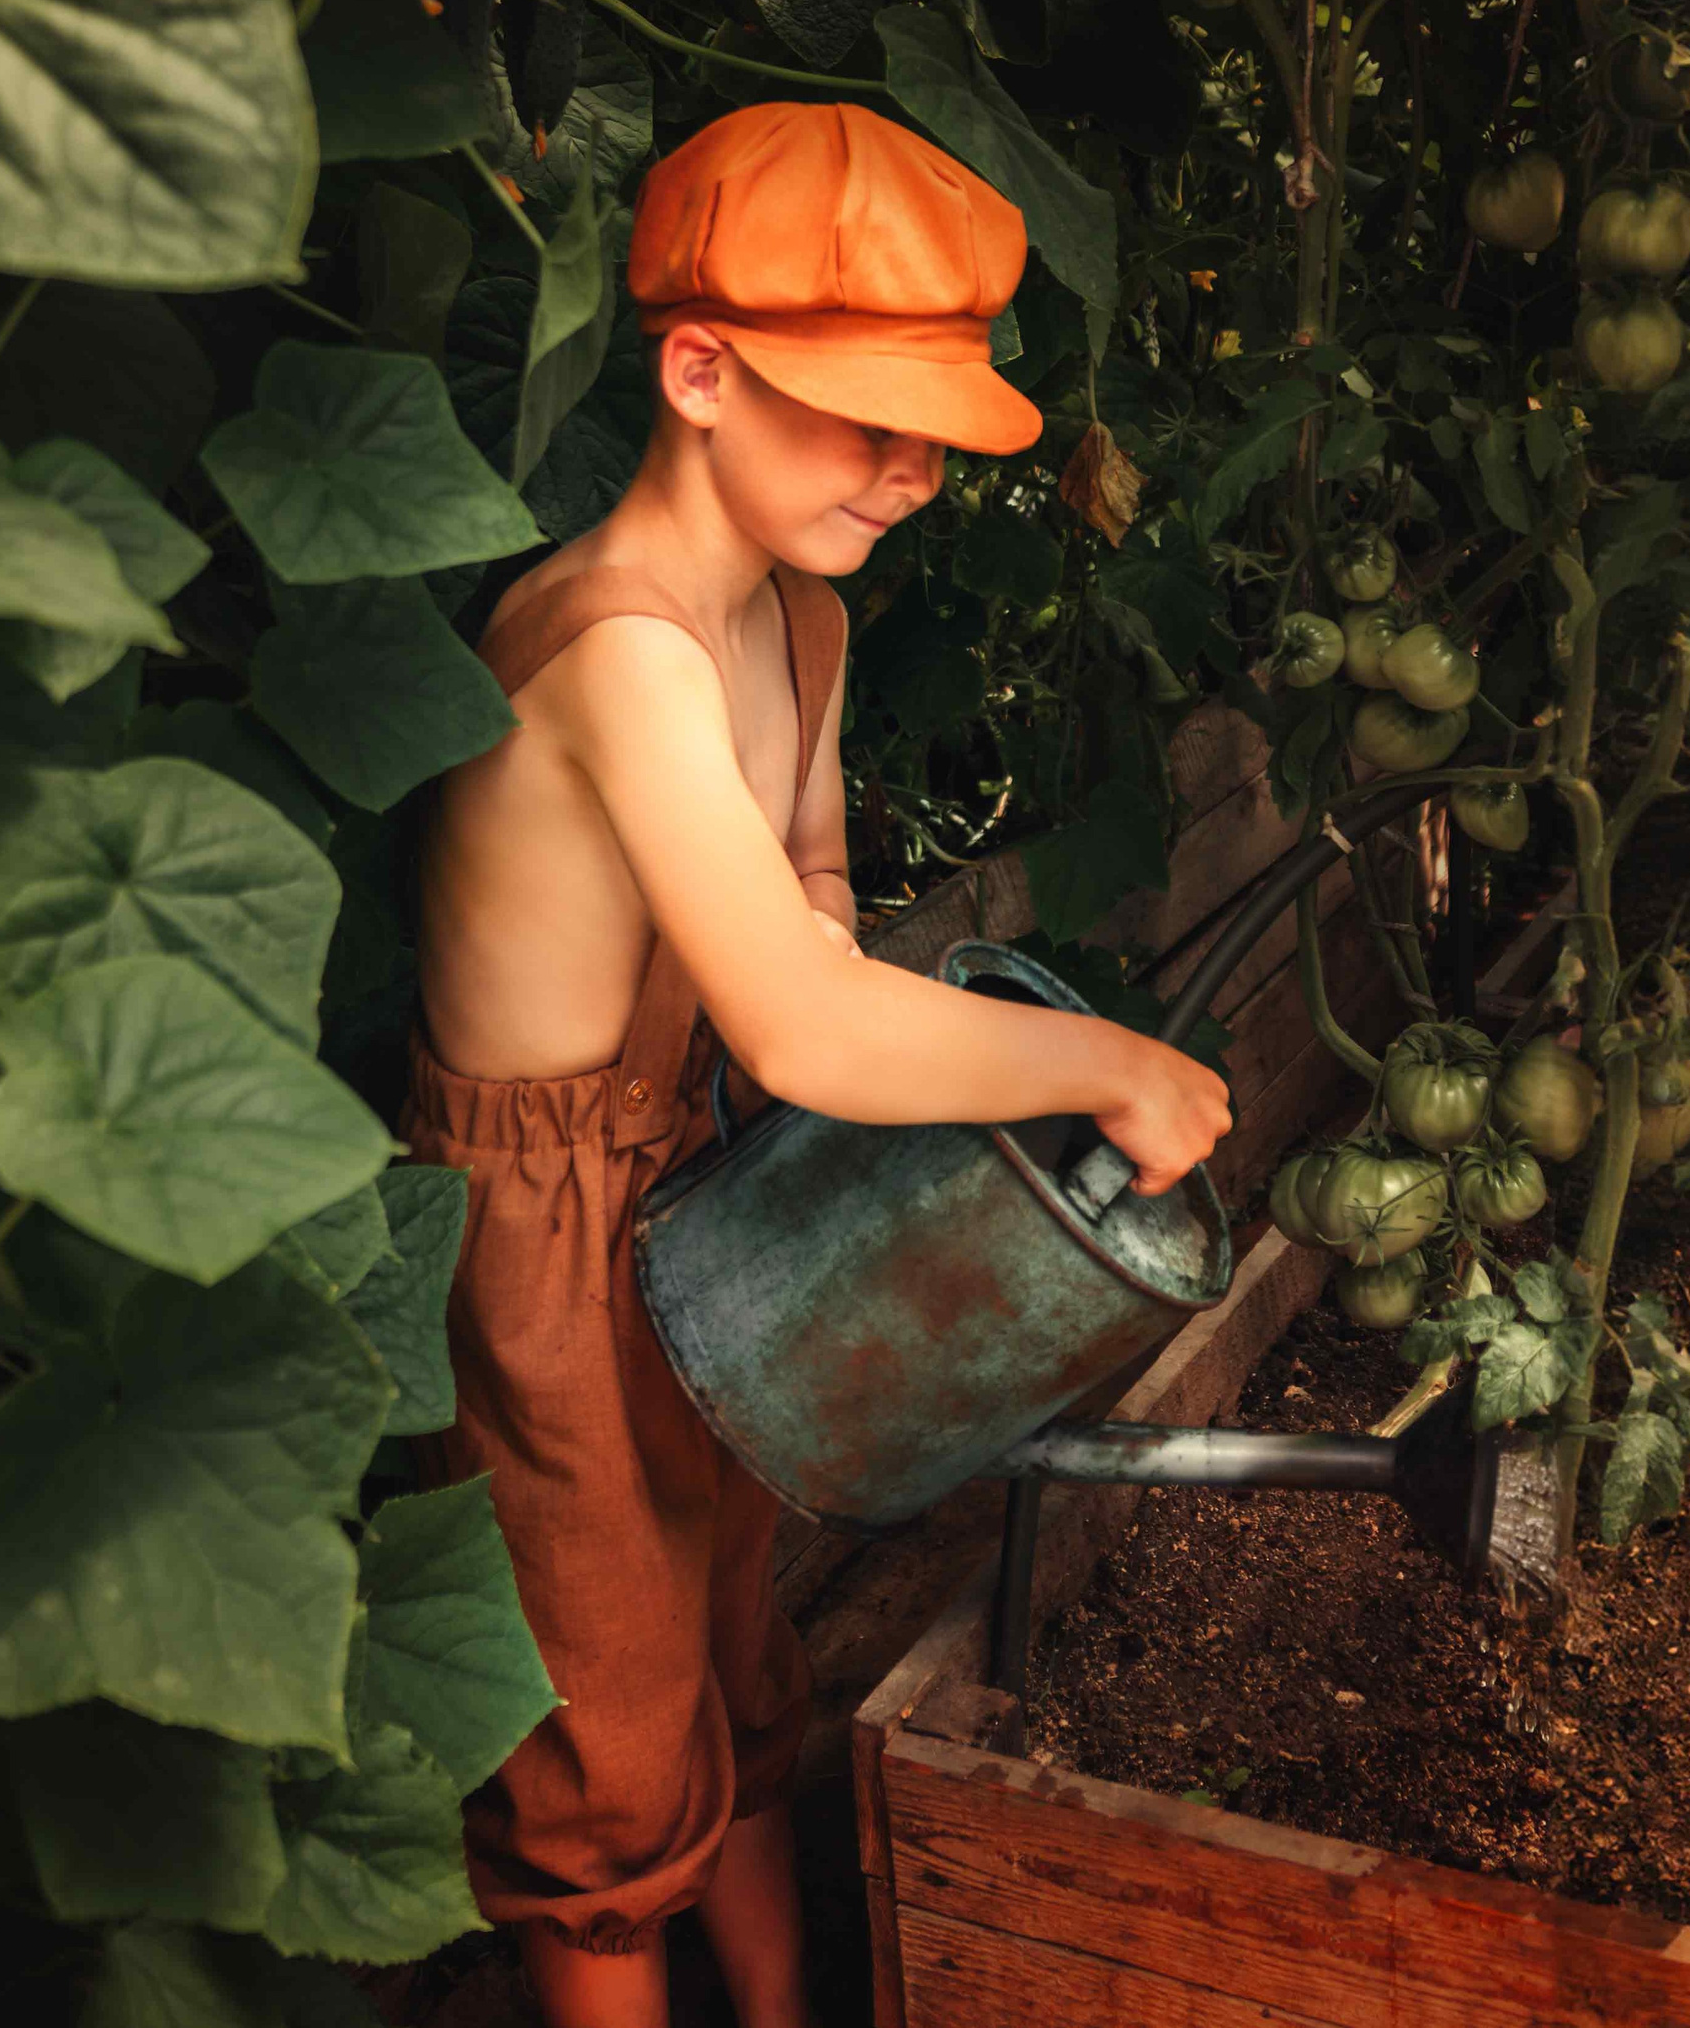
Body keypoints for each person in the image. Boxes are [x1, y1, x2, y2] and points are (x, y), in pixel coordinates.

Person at [405, 101, 1233, 2028]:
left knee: (732, 1655)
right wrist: (1106, 1062)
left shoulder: (800, 617)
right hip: (540, 1246)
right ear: (700, 371)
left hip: (703, 1187)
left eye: (936, 425)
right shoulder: (615, 651)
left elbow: (816, 918)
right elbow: (800, 1018)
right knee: (604, 1739)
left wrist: (897, 1032)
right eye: (870, 415)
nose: (914, 467)